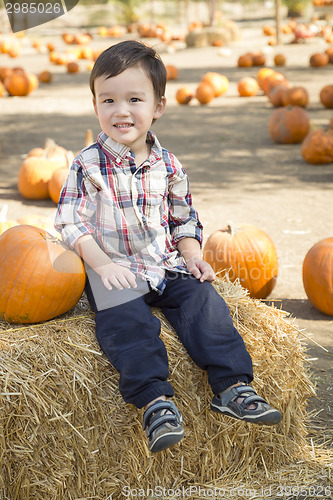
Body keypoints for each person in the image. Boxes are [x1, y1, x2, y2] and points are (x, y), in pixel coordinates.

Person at [55, 40, 282, 454]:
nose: (121, 110)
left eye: (134, 99)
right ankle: (154, 402)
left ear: (158, 106)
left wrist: (193, 255)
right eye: (108, 100)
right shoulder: (86, 165)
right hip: (116, 270)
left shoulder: (170, 165)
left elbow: (184, 220)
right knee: (127, 324)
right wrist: (103, 267)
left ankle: (232, 387)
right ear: (95, 106)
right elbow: (70, 222)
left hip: (165, 266)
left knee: (206, 304)